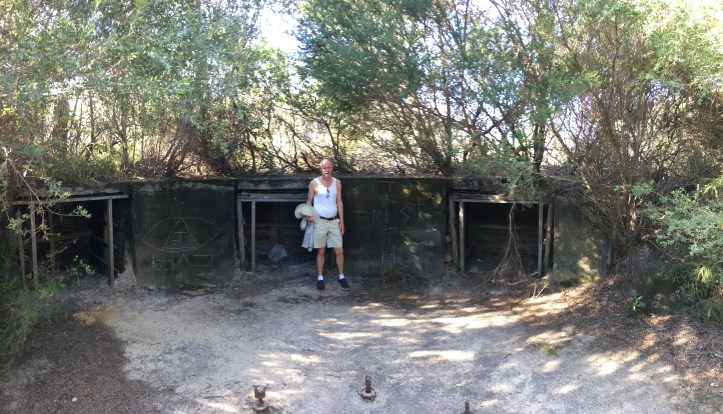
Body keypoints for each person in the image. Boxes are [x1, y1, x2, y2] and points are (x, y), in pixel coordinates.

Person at [306, 158, 349, 291]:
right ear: (321, 168)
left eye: (328, 167)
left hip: (334, 222)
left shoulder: (337, 183)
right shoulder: (314, 183)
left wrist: (342, 221)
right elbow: (309, 201)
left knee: (339, 250)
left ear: (332, 168)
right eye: (324, 168)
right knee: (321, 251)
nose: (326, 170)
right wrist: (308, 214)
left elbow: (339, 202)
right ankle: (320, 277)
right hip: (319, 222)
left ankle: (341, 276)